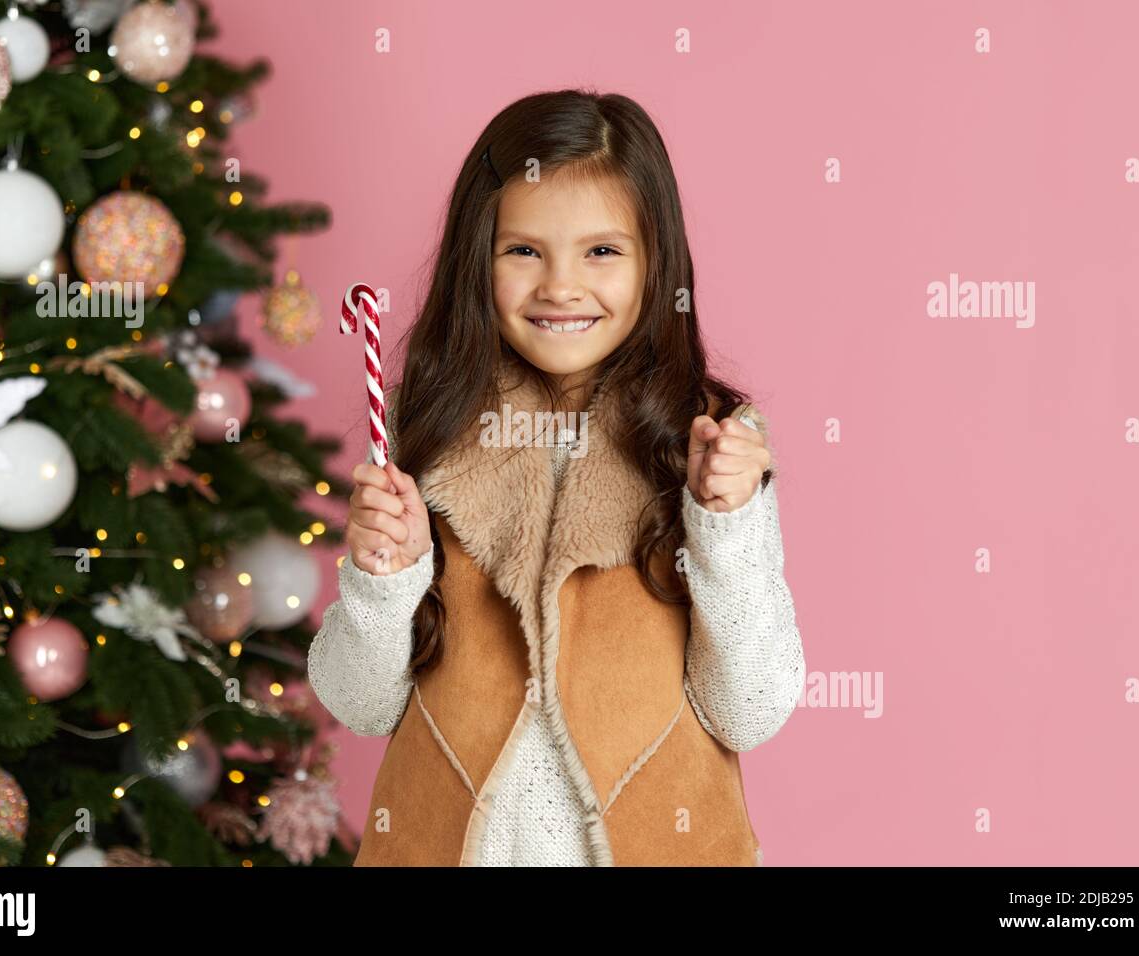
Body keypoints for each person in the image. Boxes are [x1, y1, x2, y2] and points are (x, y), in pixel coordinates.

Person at [308, 89, 805, 866]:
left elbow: (748, 711)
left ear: (656, 262)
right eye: (524, 251)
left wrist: (726, 531)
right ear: (479, 257)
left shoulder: (709, 450)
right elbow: (360, 705)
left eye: (602, 251)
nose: (561, 287)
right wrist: (383, 580)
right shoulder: (424, 433)